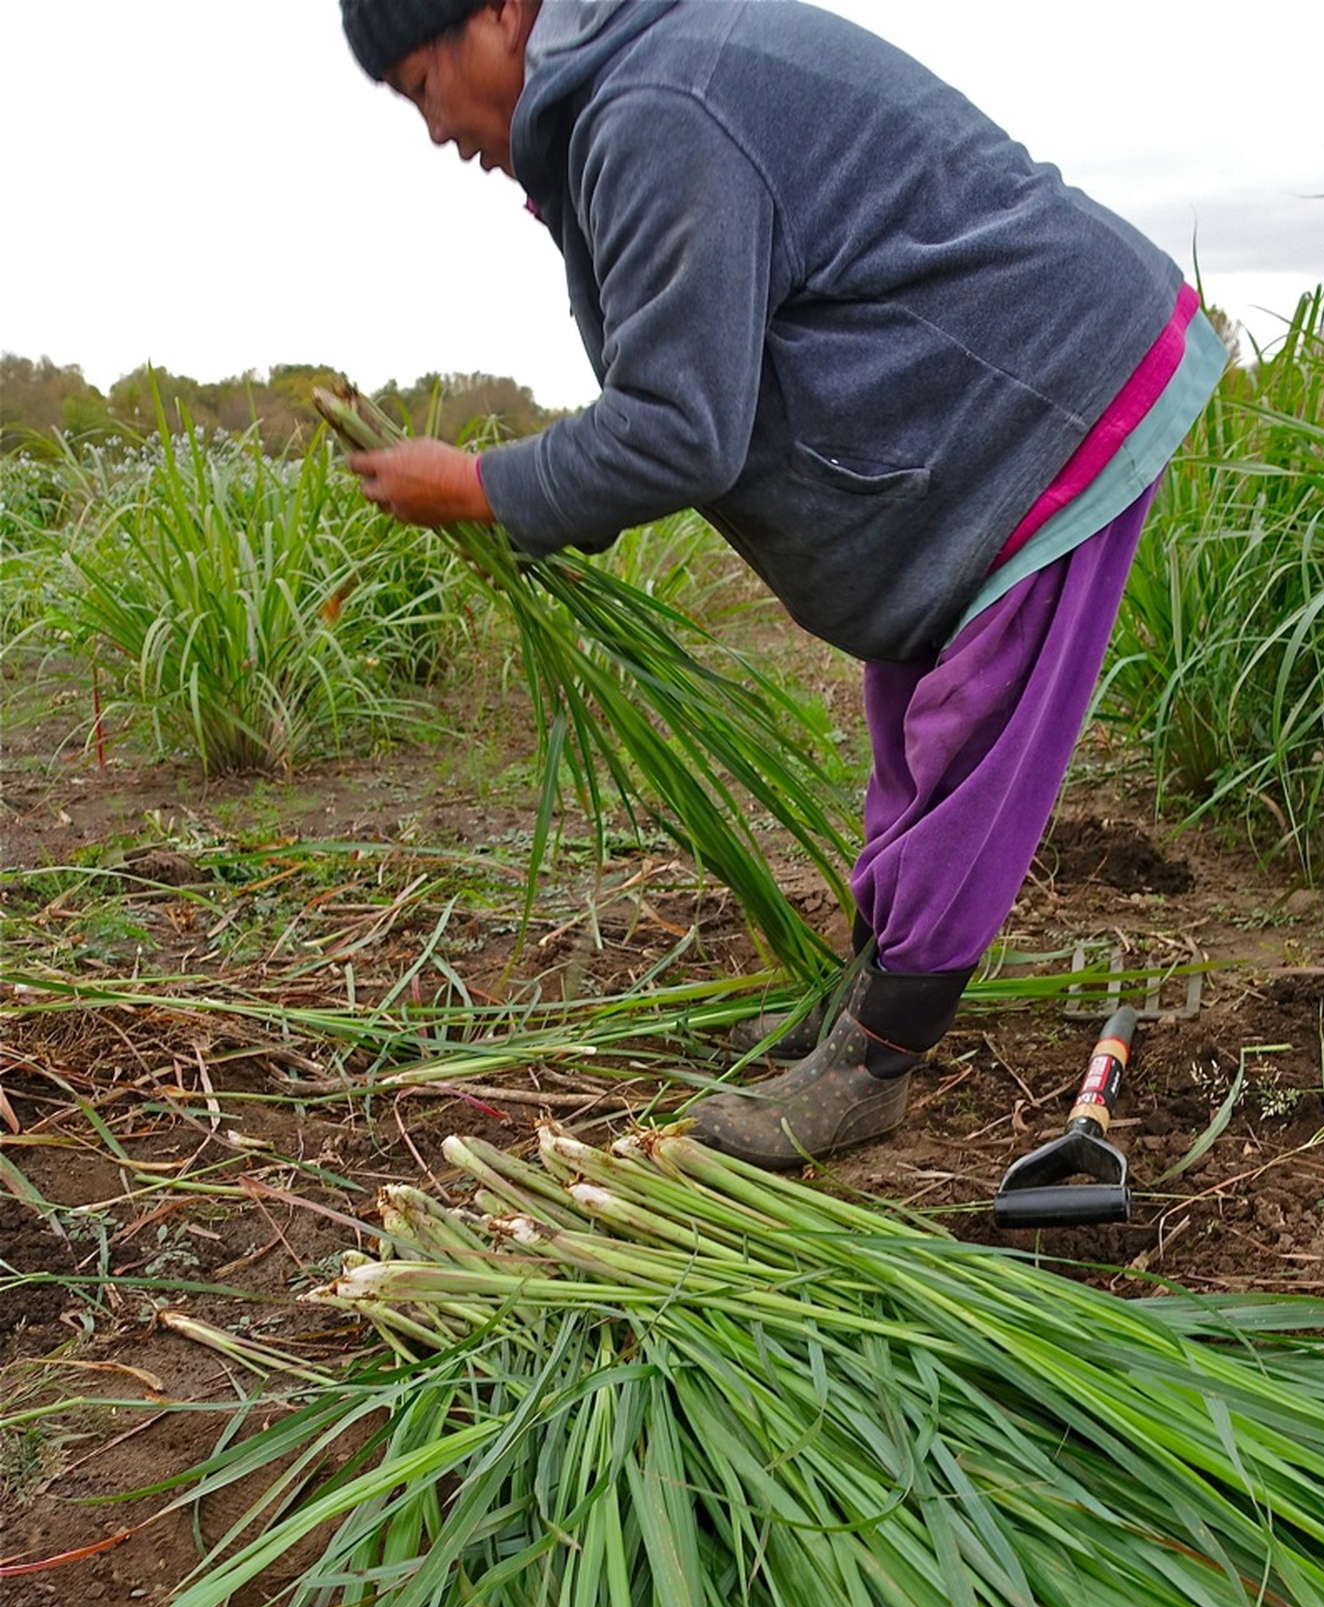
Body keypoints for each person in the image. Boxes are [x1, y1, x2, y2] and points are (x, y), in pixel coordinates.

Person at [339, 0, 1225, 1167]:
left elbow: (679, 427)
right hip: (957, 419)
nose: (438, 128)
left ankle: (876, 1059)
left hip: (1045, 397)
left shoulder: (655, 103)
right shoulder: (635, 90)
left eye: (420, 84)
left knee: (970, 738)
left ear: (502, 13)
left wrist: (483, 487)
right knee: (910, 726)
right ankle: (866, 987)